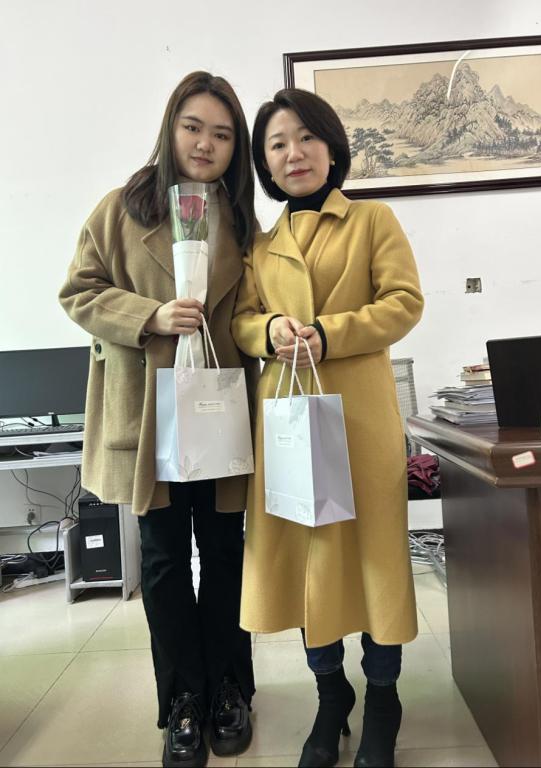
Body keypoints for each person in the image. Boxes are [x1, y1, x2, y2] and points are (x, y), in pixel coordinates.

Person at [59, 71, 259, 768]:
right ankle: (182, 700)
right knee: (165, 559)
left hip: (221, 409)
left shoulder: (241, 221)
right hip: (150, 419)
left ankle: (230, 688)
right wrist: (149, 316)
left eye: (222, 134)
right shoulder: (121, 209)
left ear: (235, 148)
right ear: (171, 128)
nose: (205, 144)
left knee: (225, 553)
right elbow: (78, 291)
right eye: (193, 127)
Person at [231, 88, 424, 768]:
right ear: (264, 162)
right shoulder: (261, 245)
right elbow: (240, 319)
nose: (294, 153)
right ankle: (330, 694)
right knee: (308, 556)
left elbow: (403, 302)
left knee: (374, 558)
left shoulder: (372, 219)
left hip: (360, 417)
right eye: (277, 143)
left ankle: (383, 698)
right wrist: (267, 331)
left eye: (306, 137)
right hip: (289, 416)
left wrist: (328, 333)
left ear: (332, 146)